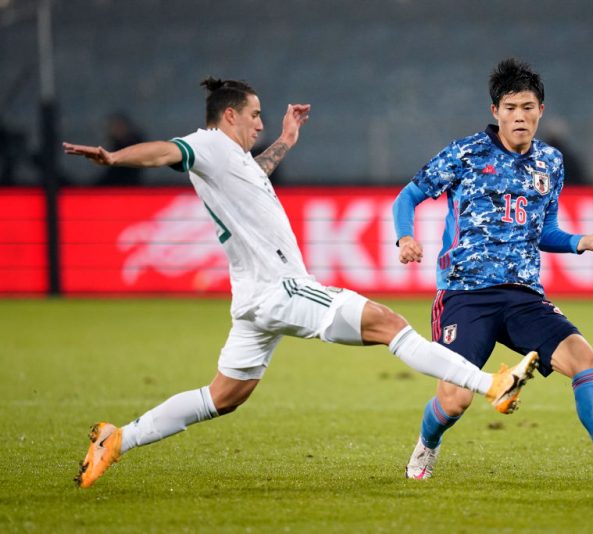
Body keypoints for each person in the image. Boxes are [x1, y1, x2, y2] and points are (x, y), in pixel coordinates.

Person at [63, 78, 538, 489]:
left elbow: (257, 171)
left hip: (253, 298)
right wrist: (113, 156)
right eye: (255, 116)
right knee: (388, 323)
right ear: (229, 115)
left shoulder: (234, 160)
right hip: (280, 287)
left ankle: (120, 437)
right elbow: (167, 151)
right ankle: (489, 383)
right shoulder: (206, 145)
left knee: (222, 396)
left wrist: (288, 138)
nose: (260, 125)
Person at [392, 59, 593, 484]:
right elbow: (407, 197)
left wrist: (583, 242)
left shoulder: (551, 164)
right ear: (495, 112)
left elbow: (545, 231)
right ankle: (427, 444)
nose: (520, 115)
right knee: (455, 399)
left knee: (587, 362)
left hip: (523, 296)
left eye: (528, 107)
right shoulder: (465, 153)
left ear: (541, 111)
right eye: (511, 107)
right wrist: (404, 238)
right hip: (466, 295)